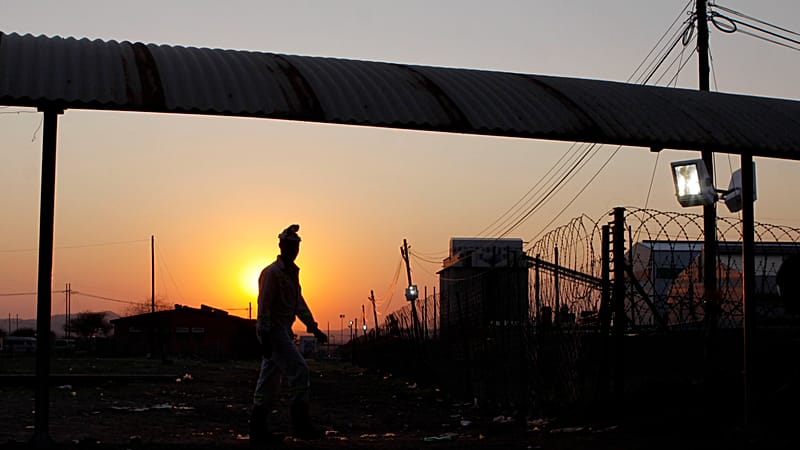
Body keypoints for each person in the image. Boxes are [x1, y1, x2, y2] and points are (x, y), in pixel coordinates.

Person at [250, 224, 328, 445]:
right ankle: (301, 425)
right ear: (281, 246)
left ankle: (258, 430)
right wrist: (264, 335)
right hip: (274, 332)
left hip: (282, 330)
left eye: (296, 246)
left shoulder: (291, 275)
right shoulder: (272, 274)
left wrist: (313, 328)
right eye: (290, 246)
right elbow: (263, 304)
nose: (294, 250)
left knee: (269, 382)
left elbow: (298, 304)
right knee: (299, 371)